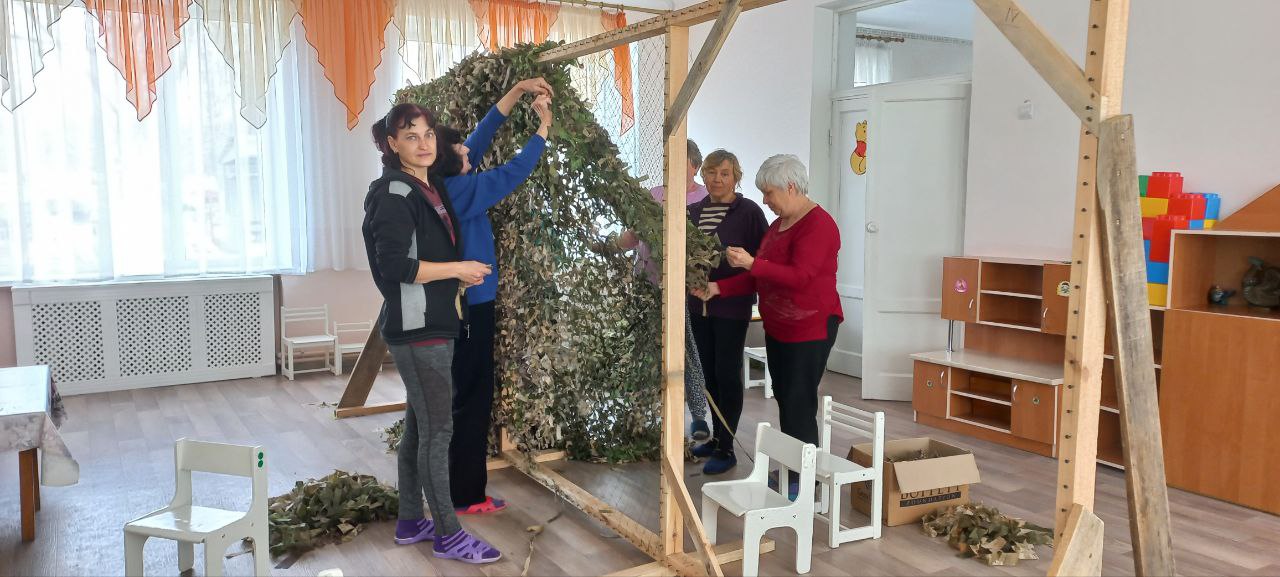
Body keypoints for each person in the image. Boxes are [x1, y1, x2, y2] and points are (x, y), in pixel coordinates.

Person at [364, 102, 500, 563]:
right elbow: (395, 265)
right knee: (439, 431)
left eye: (427, 134)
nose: (423, 143)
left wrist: (454, 275)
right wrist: (457, 268)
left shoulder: (426, 186)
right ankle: (448, 533)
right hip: (419, 329)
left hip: (433, 321)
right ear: (391, 144)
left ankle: (409, 521)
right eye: (410, 136)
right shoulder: (395, 194)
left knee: (421, 427)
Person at [430, 77, 554, 516]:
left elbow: (481, 134)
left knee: (466, 393)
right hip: (471, 309)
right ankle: (467, 495)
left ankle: (455, 487)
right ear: (450, 163)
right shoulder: (462, 191)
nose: (469, 152)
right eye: (460, 152)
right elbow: (514, 172)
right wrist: (543, 128)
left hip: (465, 307)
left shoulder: (448, 182)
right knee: (473, 396)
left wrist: (518, 90)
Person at [694, 154, 842, 497]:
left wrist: (751, 263)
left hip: (810, 328)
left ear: (790, 187)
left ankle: (808, 482)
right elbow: (758, 278)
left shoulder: (819, 225)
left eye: (769, 193)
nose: (765, 200)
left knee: (799, 402)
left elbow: (800, 277)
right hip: (780, 328)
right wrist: (720, 287)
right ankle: (794, 470)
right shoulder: (778, 226)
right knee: (787, 403)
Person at [617, 139, 712, 442]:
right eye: (668, 159)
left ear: (695, 166)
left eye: (680, 160)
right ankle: (643, 414)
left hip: (684, 289)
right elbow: (631, 240)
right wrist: (618, 239)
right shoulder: (653, 195)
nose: (671, 164)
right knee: (643, 349)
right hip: (646, 283)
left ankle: (698, 416)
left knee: (687, 352)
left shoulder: (704, 199)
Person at [685, 149, 768, 475]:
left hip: (732, 306)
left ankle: (727, 447)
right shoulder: (692, 212)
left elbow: (762, 262)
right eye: (712, 173)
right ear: (702, 176)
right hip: (698, 306)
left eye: (725, 173)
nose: (718, 179)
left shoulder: (748, 212)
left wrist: (725, 285)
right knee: (708, 373)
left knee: (727, 373)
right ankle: (716, 438)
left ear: (736, 177)